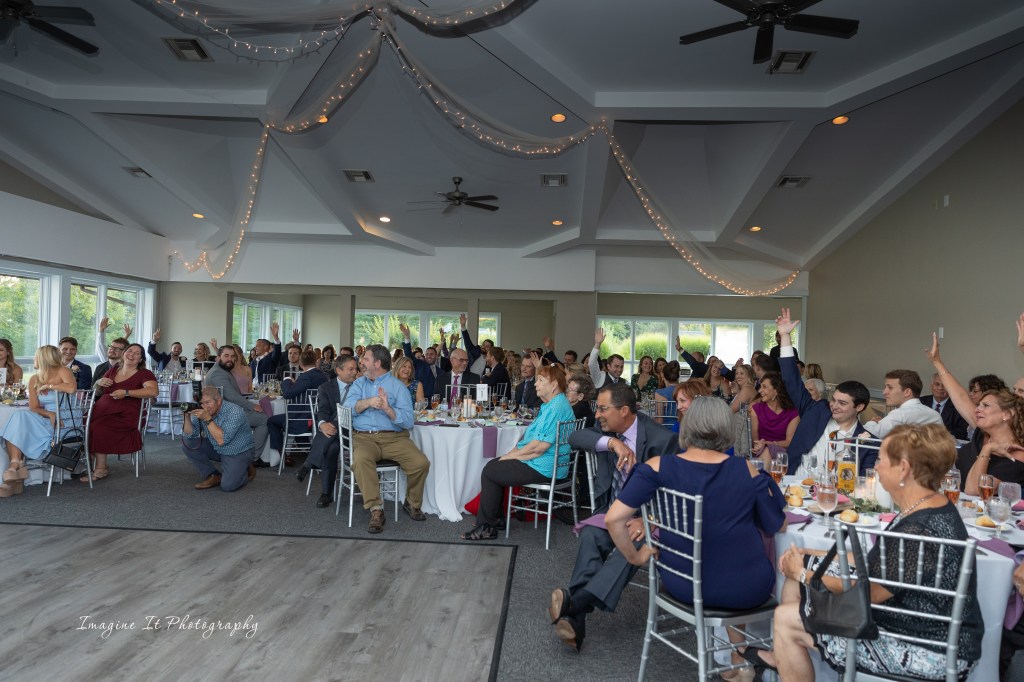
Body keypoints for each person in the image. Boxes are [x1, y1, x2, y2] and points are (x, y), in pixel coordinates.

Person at [771, 424, 982, 681]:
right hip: (918, 630)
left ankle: (791, 644)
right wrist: (810, 554)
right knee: (801, 572)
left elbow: (866, 593)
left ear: (903, 468)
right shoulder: (928, 506)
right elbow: (879, 560)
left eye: (881, 459)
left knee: (784, 619)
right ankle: (791, 652)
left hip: (923, 648)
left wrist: (805, 573)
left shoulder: (918, 528)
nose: (876, 467)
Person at [604, 396, 786, 671]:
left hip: (684, 582)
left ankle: (738, 657)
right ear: (726, 429)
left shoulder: (657, 466)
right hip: (747, 588)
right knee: (746, 561)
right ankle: (741, 655)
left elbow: (614, 519)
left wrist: (636, 557)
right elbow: (776, 525)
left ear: (688, 425)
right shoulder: (745, 469)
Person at [460, 363, 576, 541]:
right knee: (493, 465)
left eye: (540, 380)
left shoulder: (556, 407)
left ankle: (487, 527)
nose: (536, 384)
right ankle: (494, 520)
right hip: (544, 462)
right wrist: (508, 456)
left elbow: (538, 448)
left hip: (544, 466)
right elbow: (529, 442)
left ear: (553, 385)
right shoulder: (554, 404)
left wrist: (509, 456)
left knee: (490, 471)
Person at [342, 345, 431, 534]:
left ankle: (412, 502)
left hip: (395, 438)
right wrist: (369, 402)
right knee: (360, 461)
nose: (362, 362)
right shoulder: (359, 384)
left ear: (377, 363)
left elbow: (408, 421)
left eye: (365, 359)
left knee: (420, 463)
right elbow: (347, 410)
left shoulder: (398, 387)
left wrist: (388, 409)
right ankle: (376, 510)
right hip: (365, 438)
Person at [776, 308, 872, 475]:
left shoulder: (866, 441)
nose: (834, 406)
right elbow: (791, 380)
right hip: (795, 487)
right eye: (834, 400)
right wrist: (785, 337)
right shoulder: (817, 411)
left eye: (842, 403)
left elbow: (865, 480)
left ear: (860, 407)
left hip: (836, 498)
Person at [0, 345, 76, 496]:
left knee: (18, 421)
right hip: (47, 418)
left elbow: (71, 388)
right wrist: (49, 414)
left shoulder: (63, 370)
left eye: (35, 356)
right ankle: (15, 466)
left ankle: (15, 471)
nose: (34, 359)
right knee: (19, 417)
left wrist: (48, 385)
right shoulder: (35, 378)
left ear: (43, 358)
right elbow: (33, 407)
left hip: (65, 421)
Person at [87, 343, 159, 480]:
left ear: (141, 359)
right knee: (84, 422)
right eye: (129, 351)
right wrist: (98, 383)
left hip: (127, 416)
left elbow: (153, 391)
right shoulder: (114, 370)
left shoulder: (144, 373)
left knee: (98, 427)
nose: (131, 355)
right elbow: (99, 391)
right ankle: (86, 463)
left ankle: (101, 468)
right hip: (104, 411)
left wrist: (127, 393)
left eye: (137, 353)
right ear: (124, 353)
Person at [299, 355, 359, 508]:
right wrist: (322, 424)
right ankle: (326, 493)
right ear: (338, 370)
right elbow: (323, 409)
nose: (354, 372)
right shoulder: (326, 387)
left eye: (355, 369)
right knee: (331, 448)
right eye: (350, 369)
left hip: (355, 431)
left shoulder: (360, 386)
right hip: (334, 433)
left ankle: (309, 463)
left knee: (341, 416)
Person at [181, 387, 258, 492]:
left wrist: (207, 419)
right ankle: (213, 475)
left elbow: (222, 440)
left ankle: (245, 467)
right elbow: (190, 435)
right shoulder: (204, 409)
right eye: (202, 403)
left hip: (238, 451)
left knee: (228, 486)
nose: (204, 407)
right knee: (189, 443)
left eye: (208, 402)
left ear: (219, 400)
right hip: (218, 447)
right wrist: (186, 417)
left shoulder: (234, 411)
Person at [265, 349, 329, 467]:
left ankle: (280, 453)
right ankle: (308, 452)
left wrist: (287, 380)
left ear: (300, 364)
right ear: (315, 362)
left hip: (301, 418)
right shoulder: (323, 376)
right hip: (316, 416)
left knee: (271, 421)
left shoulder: (306, 377)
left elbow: (288, 394)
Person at [203, 345, 269, 454]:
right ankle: (252, 457)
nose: (230, 359)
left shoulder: (222, 369)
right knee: (264, 420)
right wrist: (252, 406)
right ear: (219, 357)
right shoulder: (217, 373)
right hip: (225, 415)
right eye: (226, 356)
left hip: (227, 410)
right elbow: (231, 396)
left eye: (232, 356)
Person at [962, 389, 1024, 495]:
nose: (977, 409)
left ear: (1007, 414)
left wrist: (987, 449)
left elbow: (973, 490)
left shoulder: (1017, 455)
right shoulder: (980, 436)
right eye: (978, 405)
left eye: (985, 405)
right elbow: (960, 396)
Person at [863, 369, 943, 439]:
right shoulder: (935, 414)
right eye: (885, 387)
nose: (884, 392)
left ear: (907, 392)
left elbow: (865, 435)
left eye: (890, 388)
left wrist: (872, 422)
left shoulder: (900, 414)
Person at [750, 371, 800, 465]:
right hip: (761, 450)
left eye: (764, 387)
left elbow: (789, 442)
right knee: (766, 451)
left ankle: (761, 478)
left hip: (782, 453)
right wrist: (762, 445)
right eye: (761, 386)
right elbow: (755, 440)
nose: (760, 390)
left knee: (768, 450)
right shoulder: (756, 409)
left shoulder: (793, 413)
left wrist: (769, 444)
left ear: (776, 391)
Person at [920, 372, 970, 441]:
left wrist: (938, 433)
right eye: (937, 384)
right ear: (931, 386)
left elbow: (962, 432)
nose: (940, 388)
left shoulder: (959, 406)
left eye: (945, 385)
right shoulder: (920, 402)